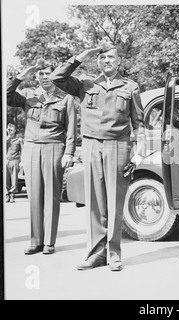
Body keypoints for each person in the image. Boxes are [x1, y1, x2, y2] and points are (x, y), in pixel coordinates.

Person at [50, 43, 146, 271]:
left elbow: (139, 124)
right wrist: (78, 57)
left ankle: (114, 254)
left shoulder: (130, 87)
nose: (106, 61)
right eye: (102, 58)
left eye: (111, 57)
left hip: (118, 146)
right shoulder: (85, 83)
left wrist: (138, 154)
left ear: (119, 61)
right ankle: (96, 254)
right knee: (94, 201)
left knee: (115, 201)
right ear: (97, 61)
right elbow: (57, 78)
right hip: (92, 145)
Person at [7, 59, 77, 255]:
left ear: (54, 75)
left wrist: (69, 152)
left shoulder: (66, 98)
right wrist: (22, 74)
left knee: (52, 197)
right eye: (41, 74)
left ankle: (49, 242)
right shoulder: (29, 95)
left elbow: (71, 129)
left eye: (48, 73)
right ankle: (35, 241)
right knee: (34, 196)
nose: (45, 77)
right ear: (36, 77)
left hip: (54, 148)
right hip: (30, 148)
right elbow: (6, 95)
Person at [5, 123, 23, 203]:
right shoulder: (6, 139)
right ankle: (7, 194)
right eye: (8, 129)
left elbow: (22, 151)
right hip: (6, 160)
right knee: (6, 179)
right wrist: (7, 136)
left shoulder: (19, 139)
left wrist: (22, 161)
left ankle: (12, 195)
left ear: (15, 130)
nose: (10, 131)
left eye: (11, 130)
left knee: (14, 179)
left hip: (15, 160)